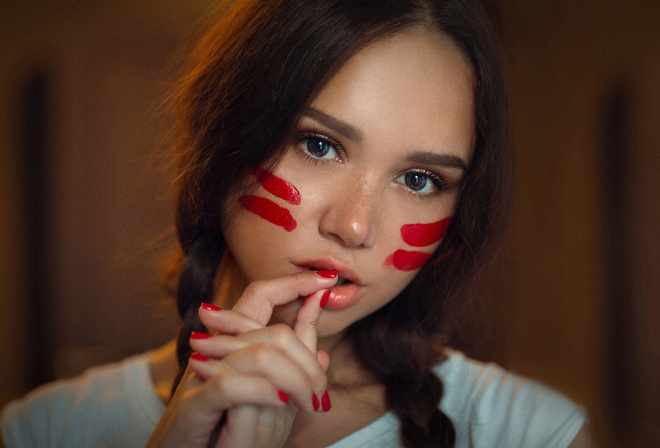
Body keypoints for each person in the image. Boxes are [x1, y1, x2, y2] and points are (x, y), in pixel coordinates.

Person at [1, 0, 592, 447]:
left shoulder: (537, 433)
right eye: (319, 145)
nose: (355, 226)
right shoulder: (45, 429)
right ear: (224, 135)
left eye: (419, 181)